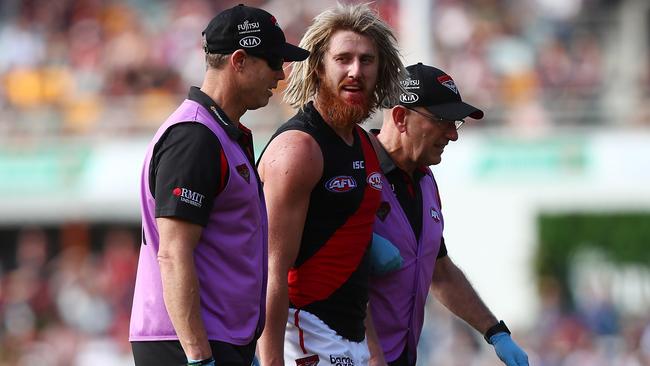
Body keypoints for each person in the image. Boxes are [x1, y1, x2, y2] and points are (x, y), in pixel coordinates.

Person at [128, 5, 309, 366]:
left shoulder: (217, 133)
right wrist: (198, 356)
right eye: (273, 61)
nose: (280, 73)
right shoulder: (195, 137)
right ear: (239, 61)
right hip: (188, 344)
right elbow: (173, 252)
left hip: (216, 340)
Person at [256, 3, 405, 366]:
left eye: (367, 60)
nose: (355, 71)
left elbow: (352, 262)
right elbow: (270, 272)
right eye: (344, 58)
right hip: (303, 335)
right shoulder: (299, 149)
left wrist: (373, 352)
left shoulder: (366, 145)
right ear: (319, 66)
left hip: (349, 342)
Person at [366, 63, 529, 366]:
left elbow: (439, 272)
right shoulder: (354, 169)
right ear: (401, 117)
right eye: (443, 120)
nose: (453, 135)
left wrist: (495, 332)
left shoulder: (426, 181)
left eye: (456, 122)